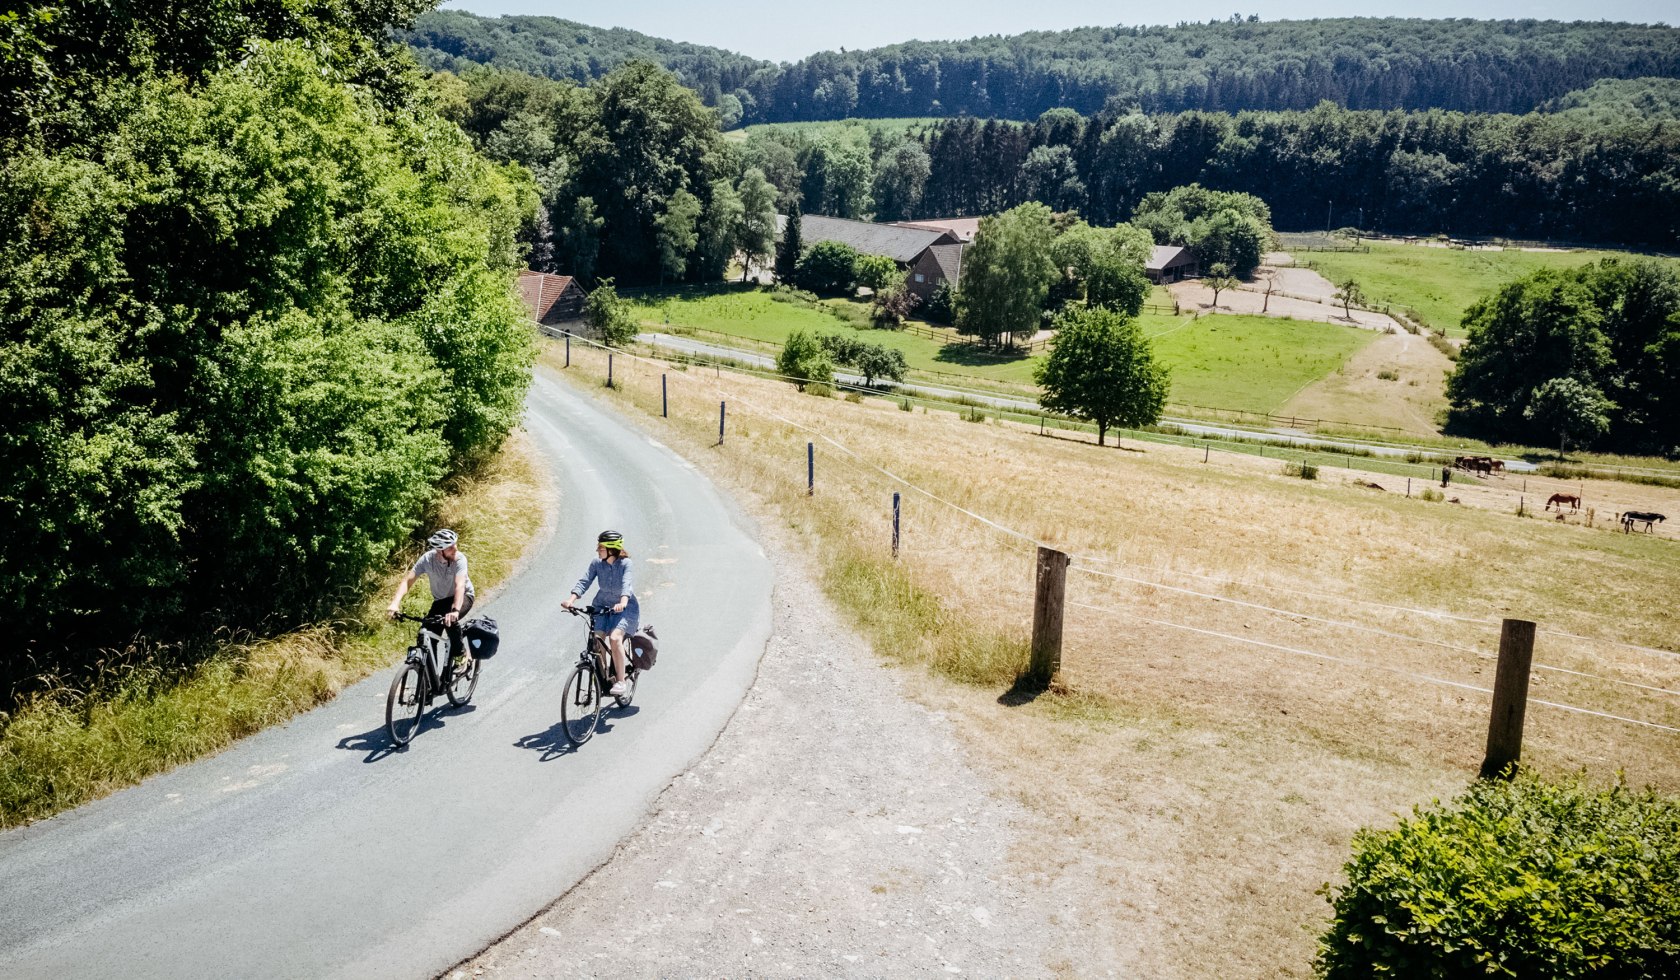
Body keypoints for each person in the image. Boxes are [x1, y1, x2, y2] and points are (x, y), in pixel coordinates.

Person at [387, 529, 476, 675]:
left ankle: (461, 656)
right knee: (426, 635)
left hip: (463, 596)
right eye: (450, 547)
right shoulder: (427, 560)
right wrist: (395, 603)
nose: (455, 549)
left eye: (455, 544)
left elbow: (459, 585)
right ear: (440, 551)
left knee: (449, 621)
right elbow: (407, 581)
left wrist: (454, 611)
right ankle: (431, 678)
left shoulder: (460, 559)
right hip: (441, 601)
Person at [562, 530, 639, 697]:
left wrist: (623, 601)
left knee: (614, 638)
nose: (597, 550)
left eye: (600, 547)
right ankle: (604, 677)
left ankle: (621, 681)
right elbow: (585, 581)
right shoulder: (597, 563)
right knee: (596, 642)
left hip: (624, 608)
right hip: (602, 607)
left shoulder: (625, 564)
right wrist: (571, 600)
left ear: (611, 549)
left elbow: (626, 585)